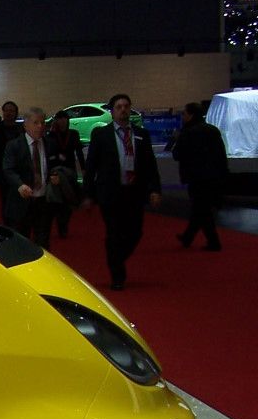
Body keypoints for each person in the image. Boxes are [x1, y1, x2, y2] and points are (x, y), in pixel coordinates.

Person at [84, 93, 161, 290]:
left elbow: (150, 164)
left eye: (126, 106)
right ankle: (117, 274)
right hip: (110, 193)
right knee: (114, 233)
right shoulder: (101, 135)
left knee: (135, 232)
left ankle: (116, 258)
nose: (123, 110)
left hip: (134, 192)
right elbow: (91, 166)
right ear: (112, 111)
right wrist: (88, 194)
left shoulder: (141, 134)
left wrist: (154, 189)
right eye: (119, 107)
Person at [172, 101, 228, 252]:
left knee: (201, 210)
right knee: (201, 209)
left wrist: (177, 140)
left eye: (184, 114)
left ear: (190, 115)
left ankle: (213, 241)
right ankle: (188, 237)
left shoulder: (187, 133)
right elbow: (221, 154)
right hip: (213, 176)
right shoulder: (213, 130)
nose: (182, 117)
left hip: (196, 178)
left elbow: (177, 154)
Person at [2, 107, 53, 247]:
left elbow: (53, 166)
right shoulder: (14, 146)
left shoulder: (49, 144)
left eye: (42, 123)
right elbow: (8, 169)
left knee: (43, 242)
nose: (40, 126)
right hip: (21, 202)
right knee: (21, 243)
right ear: (26, 125)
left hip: (43, 202)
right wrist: (19, 185)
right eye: (36, 123)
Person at [45, 112, 83, 237]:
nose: (62, 121)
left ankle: (63, 222)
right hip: (55, 170)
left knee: (62, 197)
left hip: (69, 170)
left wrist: (83, 168)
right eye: (60, 119)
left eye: (64, 119)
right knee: (60, 197)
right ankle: (63, 221)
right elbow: (48, 155)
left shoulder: (73, 134)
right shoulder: (51, 135)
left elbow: (79, 151)